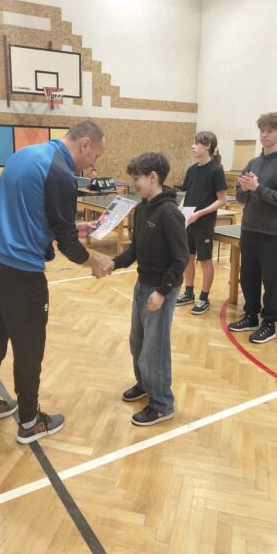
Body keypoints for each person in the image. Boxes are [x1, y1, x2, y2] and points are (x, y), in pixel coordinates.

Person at [0, 120, 110, 443]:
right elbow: (69, 247)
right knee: (29, 347)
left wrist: (69, 227)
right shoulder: (61, 173)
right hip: (21, 273)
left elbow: (26, 213)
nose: (93, 164)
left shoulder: (25, 155)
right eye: (96, 156)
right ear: (85, 144)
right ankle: (29, 421)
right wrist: (96, 263)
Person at [104, 153, 189, 426]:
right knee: (137, 342)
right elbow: (136, 250)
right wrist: (113, 263)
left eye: (136, 178)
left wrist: (162, 292)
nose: (133, 183)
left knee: (155, 349)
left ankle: (162, 403)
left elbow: (181, 258)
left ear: (153, 177)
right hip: (142, 285)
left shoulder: (169, 213)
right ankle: (144, 384)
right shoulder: (141, 209)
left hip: (161, 290)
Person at [228, 112, 277, 343]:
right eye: (262, 130)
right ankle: (251, 315)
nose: (264, 135)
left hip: (270, 230)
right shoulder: (253, 163)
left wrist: (257, 188)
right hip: (249, 227)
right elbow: (240, 198)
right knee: (248, 276)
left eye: (270, 131)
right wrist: (244, 190)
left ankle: (269, 323)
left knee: (271, 279)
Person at [176, 131, 227, 314]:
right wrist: (180, 209)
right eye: (193, 143)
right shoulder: (191, 170)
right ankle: (189, 293)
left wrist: (199, 213)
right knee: (188, 258)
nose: (193, 146)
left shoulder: (216, 170)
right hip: (188, 221)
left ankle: (204, 298)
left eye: (197, 143)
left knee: (205, 261)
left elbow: (222, 200)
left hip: (204, 223)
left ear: (208, 146)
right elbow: (188, 195)